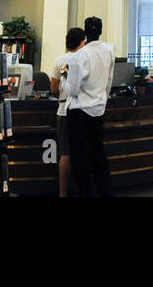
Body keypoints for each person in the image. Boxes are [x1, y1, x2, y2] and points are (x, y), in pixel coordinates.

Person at [65, 15, 115, 196]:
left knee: (80, 158)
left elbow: (72, 89)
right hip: (99, 108)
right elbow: (109, 82)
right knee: (99, 155)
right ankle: (106, 191)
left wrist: (65, 80)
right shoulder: (109, 51)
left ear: (85, 32)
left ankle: (87, 193)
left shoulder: (79, 56)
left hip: (80, 111)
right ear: (101, 31)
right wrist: (102, 97)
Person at [50, 26, 85, 198]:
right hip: (82, 109)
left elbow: (53, 89)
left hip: (63, 109)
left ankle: (63, 193)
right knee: (82, 150)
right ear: (82, 41)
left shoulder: (59, 60)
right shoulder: (85, 59)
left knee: (65, 152)